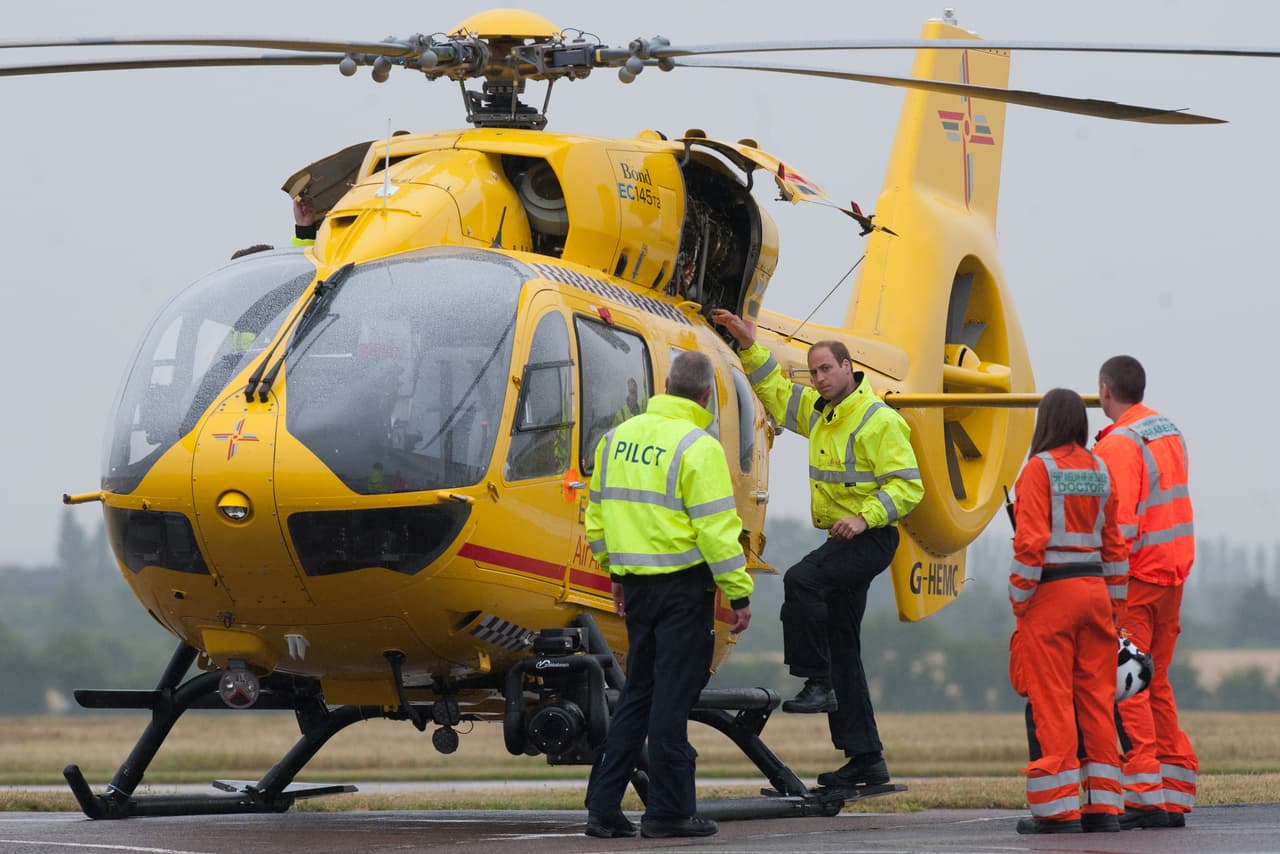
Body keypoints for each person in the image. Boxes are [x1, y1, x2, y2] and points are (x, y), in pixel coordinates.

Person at [710, 308, 923, 789]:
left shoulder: (879, 420)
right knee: (843, 646)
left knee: (801, 580)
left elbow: (909, 488)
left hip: (872, 537)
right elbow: (776, 391)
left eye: (827, 368)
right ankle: (866, 759)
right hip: (843, 540)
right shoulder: (820, 412)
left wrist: (863, 516)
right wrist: (749, 345)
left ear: (849, 368)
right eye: (814, 372)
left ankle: (816, 681)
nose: (820, 378)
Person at [582, 350, 753, 840]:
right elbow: (717, 532)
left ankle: (603, 808)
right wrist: (738, 594)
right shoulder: (699, 447)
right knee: (672, 700)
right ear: (706, 395)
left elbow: (596, 516)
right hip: (682, 589)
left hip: (636, 586)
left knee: (637, 694)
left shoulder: (615, 439)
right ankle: (669, 811)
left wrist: (615, 571)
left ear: (665, 386)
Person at [1008, 388, 1129, 834]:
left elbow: (1030, 542)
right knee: (1097, 701)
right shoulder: (1100, 469)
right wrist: (1116, 605)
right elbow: (1115, 544)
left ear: (1045, 422)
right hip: (1096, 593)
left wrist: (1019, 596)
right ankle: (1105, 808)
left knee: (1053, 700)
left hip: (1052, 596)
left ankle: (1058, 811)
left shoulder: (1039, 469)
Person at [1093, 355, 1197, 829]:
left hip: (1136, 578)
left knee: (1130, 683)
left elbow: (1121, 525)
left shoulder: (1119, 443)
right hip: (1172, 574)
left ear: (1105, 390)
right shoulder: (1167, 431)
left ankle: (1143, 795)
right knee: (1156, 682)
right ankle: (1173, 794)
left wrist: (1107, 586)